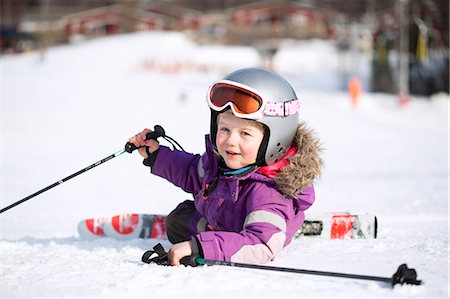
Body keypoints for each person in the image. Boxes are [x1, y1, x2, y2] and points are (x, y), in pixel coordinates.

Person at [128, 68, 323, 266]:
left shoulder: (270, 193)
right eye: (225, 129)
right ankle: (216, 234)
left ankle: (248, 234)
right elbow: (190, 172)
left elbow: (261, 245)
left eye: (245, 134)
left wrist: (201, 248)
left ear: (275, 139)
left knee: (185, 231)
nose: (230, 141)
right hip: (223, 222)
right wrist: (157, 155)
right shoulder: (220, 163)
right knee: (177, 221)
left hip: (249, 236)